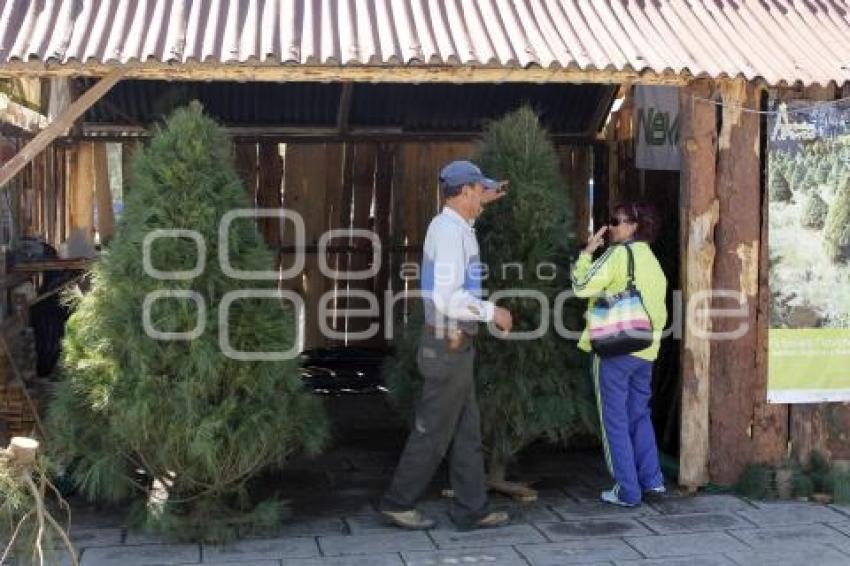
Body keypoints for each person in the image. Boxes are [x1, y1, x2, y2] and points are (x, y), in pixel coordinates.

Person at [380, 160, 514, 531]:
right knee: (434, 431)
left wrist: (485, 199)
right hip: (447, 345)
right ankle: (398, 502)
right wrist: (492, 311)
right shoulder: (448, 232)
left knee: (466, 430)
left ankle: (472, 508)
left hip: (455, 345)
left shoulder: (457, 227)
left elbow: (469, 214)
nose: (484, 199)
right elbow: (445, 296)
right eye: (479, 192)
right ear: (466, 191)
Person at [571, 202, 668, 507]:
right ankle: (652, 481)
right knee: (639, 415)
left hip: (615, 349)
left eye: (616, 221)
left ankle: (627, 490)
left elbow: (581, 287)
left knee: (613, 419)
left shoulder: (617, 255)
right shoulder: (652, 259)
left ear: (634, 226)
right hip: (646, 349)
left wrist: (587, 253)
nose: (610, 227)